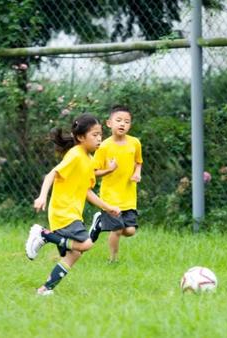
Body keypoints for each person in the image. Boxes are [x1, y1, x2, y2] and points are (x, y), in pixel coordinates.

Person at [25, 114, 120, 296]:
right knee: (85, 245)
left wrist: (107, 207)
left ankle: (45, 289)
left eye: (100, 134)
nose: (99, 138)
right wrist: (42, 196)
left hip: (72, 212)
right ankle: (43, 234)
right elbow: (52, 174)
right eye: (94, 134)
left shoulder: (88, 159)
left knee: (74, 254)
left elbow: (87, 191)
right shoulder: (76, 155)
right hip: (63, 211)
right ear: (81, 137)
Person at [89, 105, 143, 262]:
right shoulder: (104, 146)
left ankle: (99, 222)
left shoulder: (135, 143)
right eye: (118, 120)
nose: (122, 124)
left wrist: (137, 173)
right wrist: (109, 170)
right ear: (109, 123)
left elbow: (138, 162)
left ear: (130, 125)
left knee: (130, 230)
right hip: (110, 197)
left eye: (126, 121)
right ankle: (112, 259)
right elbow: (94, 171)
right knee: (118, 229)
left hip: (129, 195)